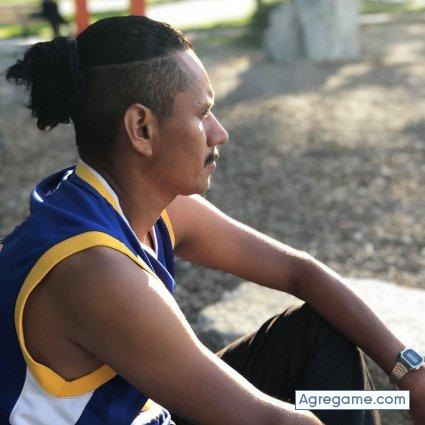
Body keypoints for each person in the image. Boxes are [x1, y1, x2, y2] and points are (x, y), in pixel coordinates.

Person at [1, 16, 424, 425]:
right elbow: (268, 422)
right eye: (203, 113)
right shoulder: (94, 271)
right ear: (141, 129)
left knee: (317, 333)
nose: (220, 133)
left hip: (149, 410)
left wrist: (410, 373)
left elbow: (299, 272)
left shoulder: (129, 204)